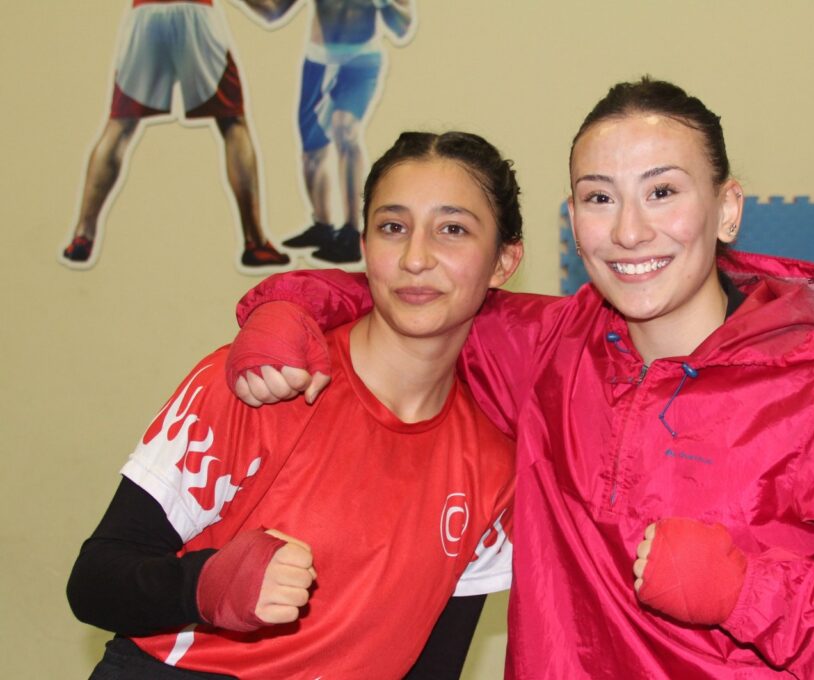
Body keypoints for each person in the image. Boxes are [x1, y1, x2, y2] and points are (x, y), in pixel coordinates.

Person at [225, 78, 814, 677]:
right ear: (573, 217)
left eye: (662, 191)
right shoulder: (547, 347)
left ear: (726, 210)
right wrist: (287, 307)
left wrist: (746, 590)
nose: (628, 232)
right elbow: (422, 289)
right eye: (600, 198)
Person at [67, 130, 524, 678]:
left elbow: (434, 666)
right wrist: (203, 587)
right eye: (392, 227)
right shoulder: (259, 386)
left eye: (452, 229)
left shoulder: (494, 464)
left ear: (503, 261)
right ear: (364, 246)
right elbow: (94, 581)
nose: (415, 257)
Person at [60, 0, 289, 272]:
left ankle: (82, 235)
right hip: (196, 12)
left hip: (144, 14)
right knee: (232, 123)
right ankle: (256, 243)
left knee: (119, 126)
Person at [245, 0, 416, 265]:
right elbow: (273, 11)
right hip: (318, 61)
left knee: (345, 130)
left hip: (361, 61)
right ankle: (323, 226)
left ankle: (350, 231)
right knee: (312, 152)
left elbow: (403, 27)